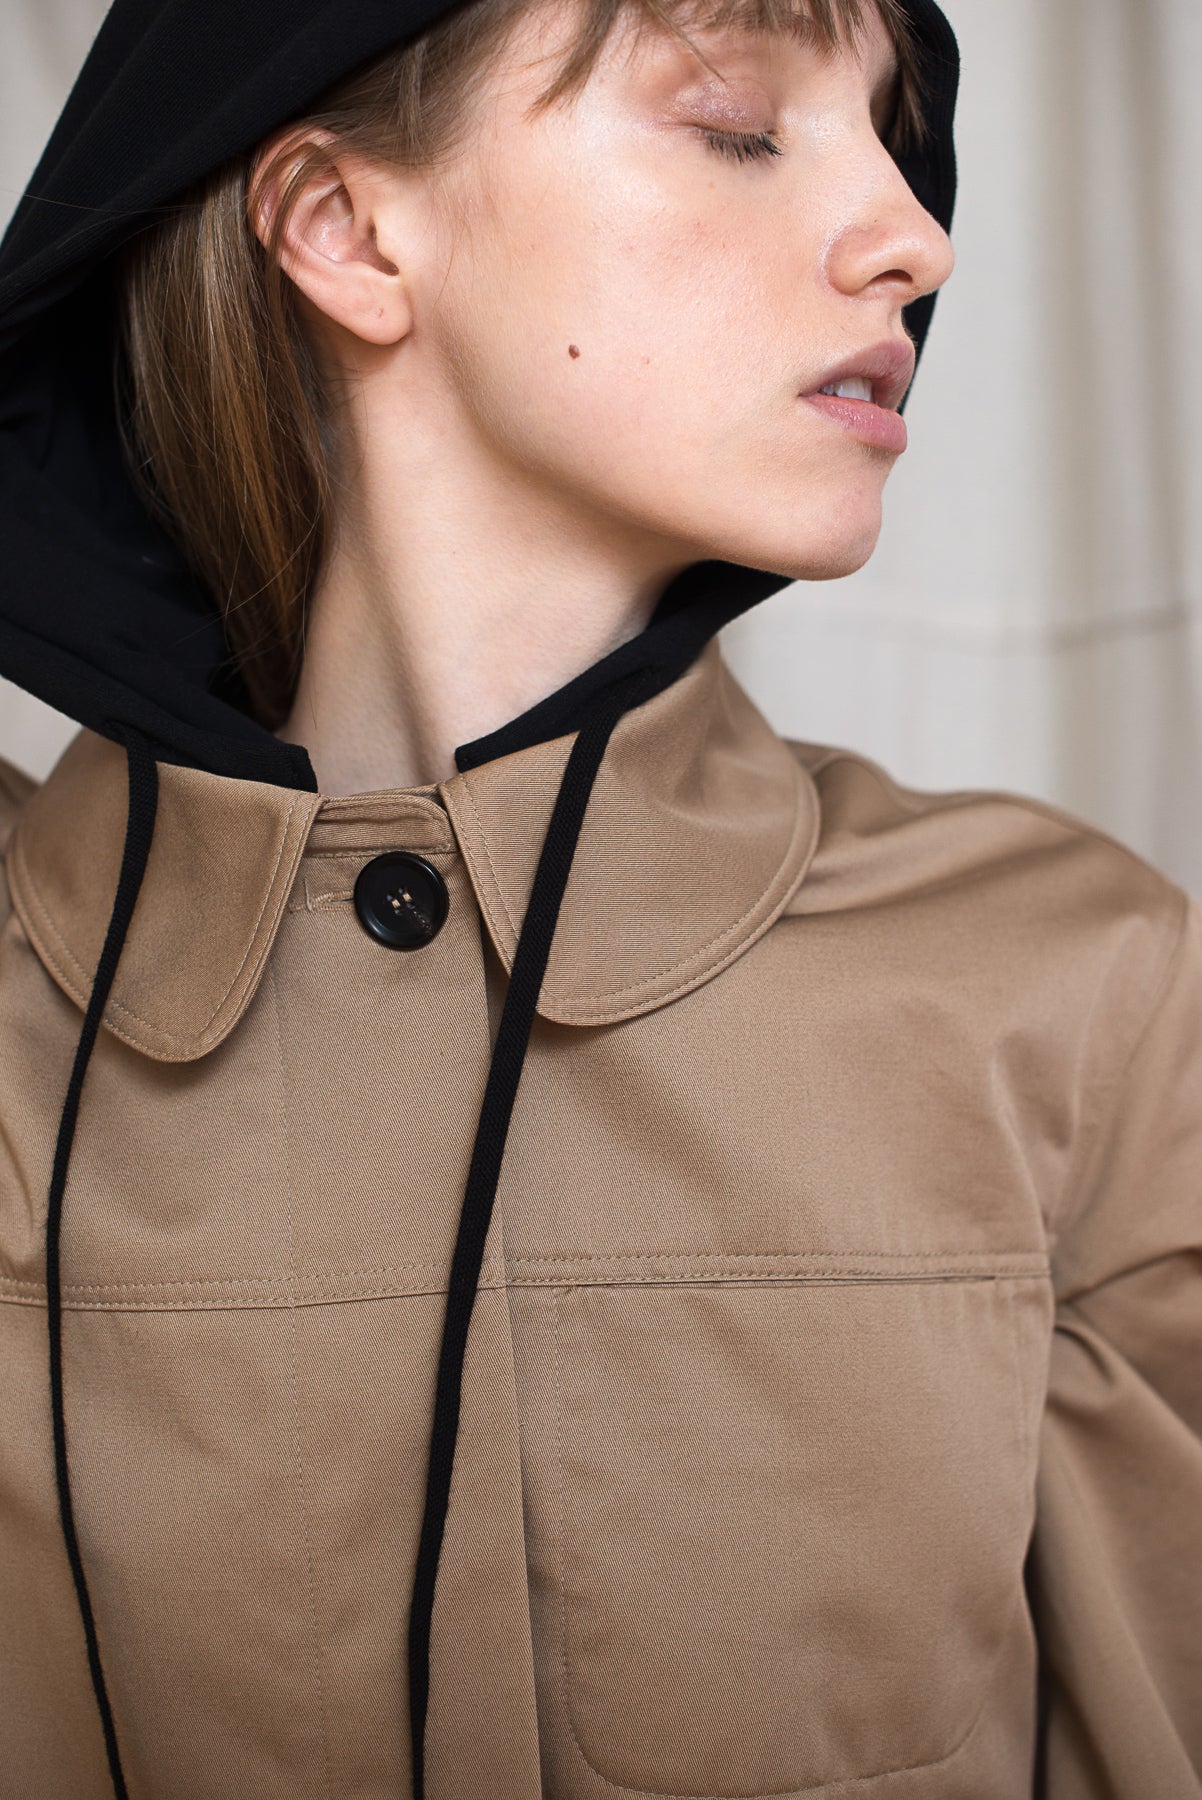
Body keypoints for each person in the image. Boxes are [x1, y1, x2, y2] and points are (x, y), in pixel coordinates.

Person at [0, 0, 1198, 1794]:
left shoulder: (1084, 987)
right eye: (734, 127)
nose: (918, 239)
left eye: (893, 140)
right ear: (345, 227)